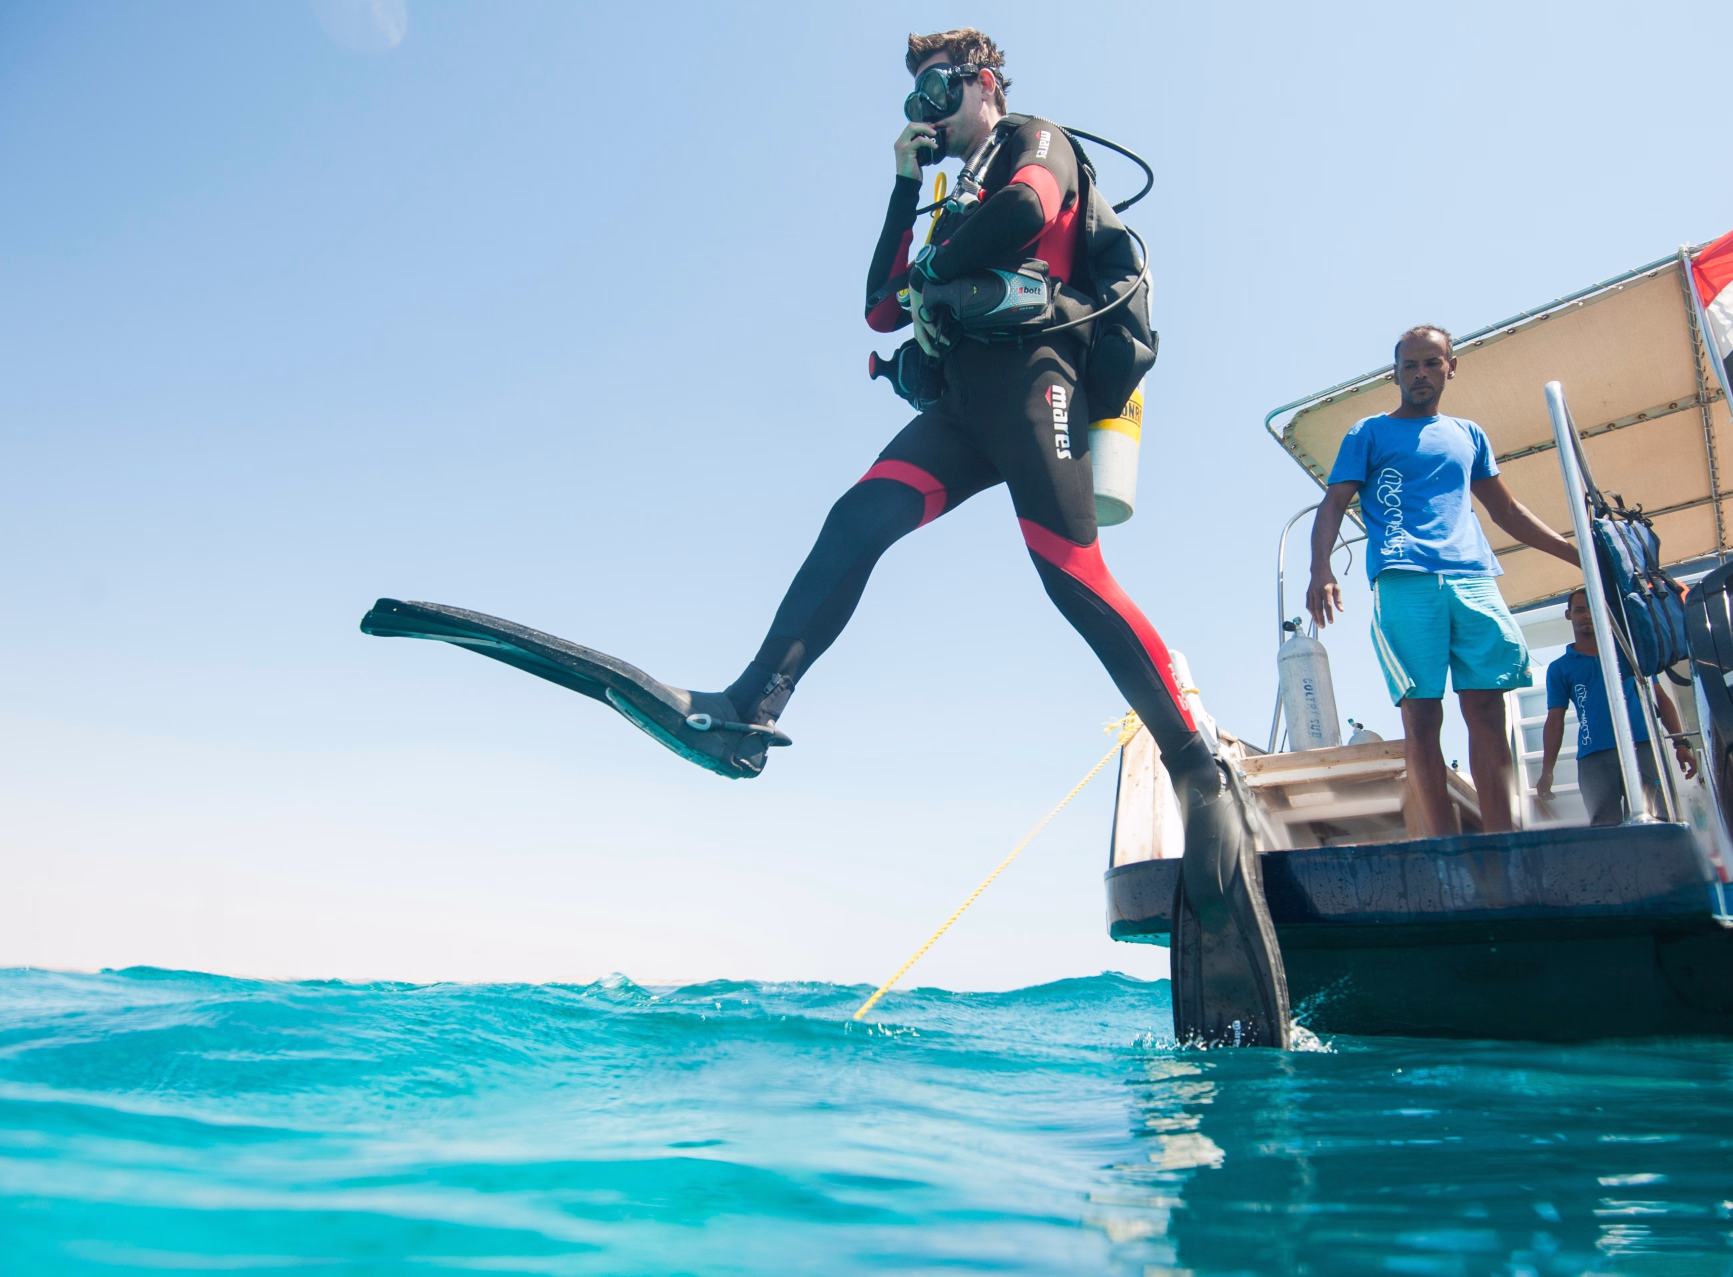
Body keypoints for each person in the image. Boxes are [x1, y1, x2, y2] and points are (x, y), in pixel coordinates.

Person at [365, 29, 1287, 1046]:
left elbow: (1028, 211)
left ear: (984, 83)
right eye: (913, 95)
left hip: (1038, 379)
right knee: (857, 519)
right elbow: (882, 306)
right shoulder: (949, 191)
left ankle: (1197, 766)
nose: (926, 106)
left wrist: (938, 265)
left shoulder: (1036, 138)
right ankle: (746, 712)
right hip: (965, 406)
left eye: (939, 88)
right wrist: (905, 186)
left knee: (1070, 573)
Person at [1304, 325, 1582, 836]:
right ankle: (1444, 847)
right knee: (1422, 717)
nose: (1421, 373)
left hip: (1473, 578)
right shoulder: (1368, 432)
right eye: (1409, 365)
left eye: (1432, 362)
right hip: (1404, 580)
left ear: (1451, 367)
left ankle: (1503, 843)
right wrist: (1321, 568)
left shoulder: (1469, 434)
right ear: (1394, 374)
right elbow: (1334, 503)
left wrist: (1579, 556)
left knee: (1487, 709)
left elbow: (1507, 511)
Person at [1535, 586, 1698, 824]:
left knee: (1658, 821)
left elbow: (1660, 698)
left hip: (1642, 747)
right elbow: (1555, 720)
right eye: (1580, 610)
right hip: (1593, 756)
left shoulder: (1629, 652)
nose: (1587, 615)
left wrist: (1680, 743)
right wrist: (1547, 771)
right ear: (1568, 615)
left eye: (1593, 609)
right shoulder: (1559, 668)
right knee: (1605, 828)